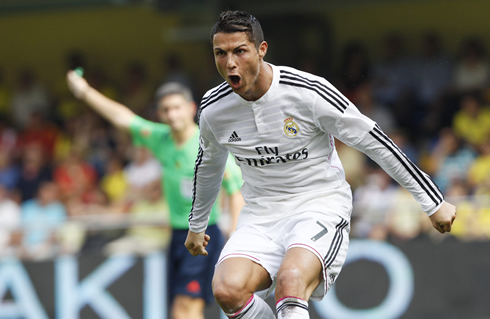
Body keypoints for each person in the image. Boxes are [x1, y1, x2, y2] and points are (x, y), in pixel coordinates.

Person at [184, 11, 456, 319]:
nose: (229, 62)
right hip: (260, 216)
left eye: (239, 51)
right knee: (226, 290)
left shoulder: (308, 92)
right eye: (221, 53)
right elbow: (208, 166)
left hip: (318, 207)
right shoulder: (214, 109)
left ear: (261, 50)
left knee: (291, 280)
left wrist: (432, 201)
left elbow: (374, 140)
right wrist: (197, 225)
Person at [66, 74, 244, 319]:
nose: (172, 115)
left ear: (191, 109)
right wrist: (84, 91)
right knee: (184, 308)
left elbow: (236, 191)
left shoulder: (209, 143)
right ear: (160, 113)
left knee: (185, 308)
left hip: (206, 234)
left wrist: (235, 238)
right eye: (166, 109)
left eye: (177, 108)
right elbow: (123, 118)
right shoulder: (161, 139)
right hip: (177, 235)